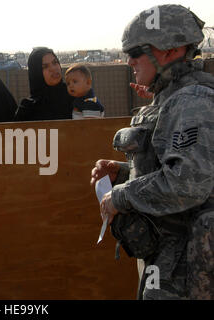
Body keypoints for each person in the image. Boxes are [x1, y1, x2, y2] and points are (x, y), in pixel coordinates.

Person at [90, 4, 214, 300]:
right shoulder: (173, 99)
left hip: (185, 270)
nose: (129, 61)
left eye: (135, 52)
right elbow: (171, 165)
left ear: (171, 50)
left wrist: (120, 195)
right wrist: (123, 171)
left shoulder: (191, 101)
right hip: (168, 261)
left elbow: (187, 183)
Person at [14, 47, 73, 121]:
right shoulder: (28, 109)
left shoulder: (75, 96)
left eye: (55, 62)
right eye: (45, 67)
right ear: (36, 73)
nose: (53, 68)